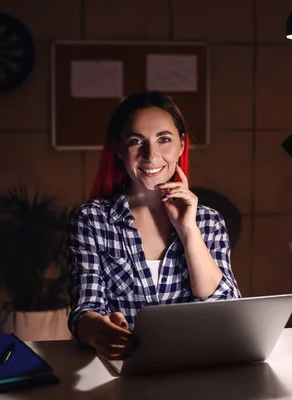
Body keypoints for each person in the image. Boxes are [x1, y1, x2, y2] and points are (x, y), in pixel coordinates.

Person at [67, 91, 241, 360]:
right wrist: (98, 330)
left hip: (196, 364)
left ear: (182, 145)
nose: (151, 154)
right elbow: (85, 308)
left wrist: (188, 230)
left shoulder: (209, 221)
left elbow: (227, 308)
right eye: (137, 141)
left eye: (164, 139)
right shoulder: (92, 220)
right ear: (118, 149)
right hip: (122, 368)